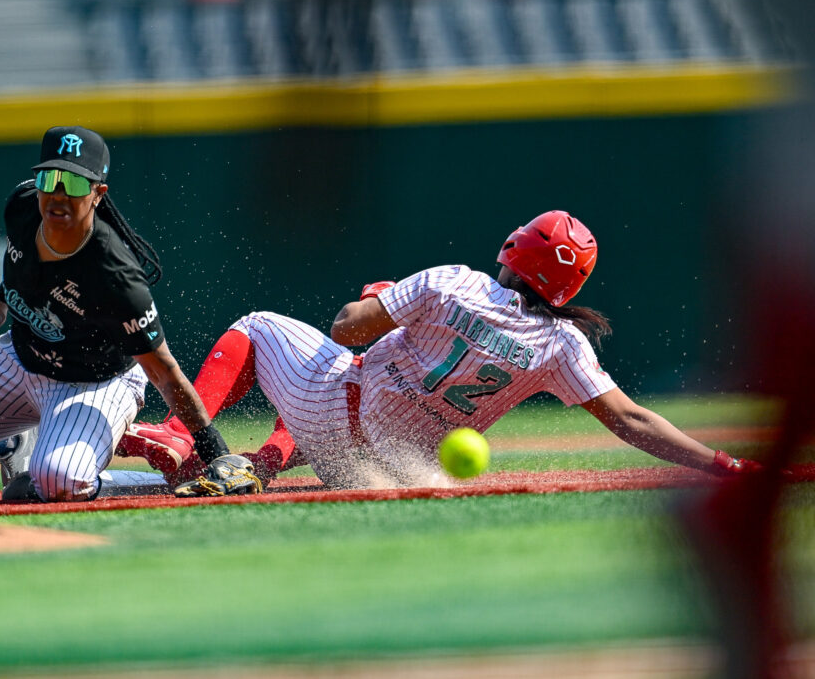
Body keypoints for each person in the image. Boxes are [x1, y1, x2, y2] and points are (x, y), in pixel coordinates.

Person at [119, 210, 760, 494]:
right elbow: (632, 419)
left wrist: (380, 296)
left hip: (337, 421)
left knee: (260, 327)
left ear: (516, 247)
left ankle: (177, 433)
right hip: (387, 469)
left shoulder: (456, 282)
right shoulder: (562, 342)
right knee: (355, 376)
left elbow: (344, 329)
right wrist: (722, 463)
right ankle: (264, 460)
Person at [0, 126, 261, 502]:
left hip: (96, 382)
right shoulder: (23, 205)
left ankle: (137, 482)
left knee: (59, 481)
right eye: (50, 179)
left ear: (98, 193)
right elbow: (25, 263)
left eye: (76, 183)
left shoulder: (115, 275)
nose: (58, 195)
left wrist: (215, 450)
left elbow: (163, 370)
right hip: (22, 358)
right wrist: (0, 301)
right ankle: (14, 440)